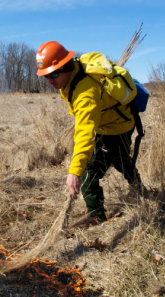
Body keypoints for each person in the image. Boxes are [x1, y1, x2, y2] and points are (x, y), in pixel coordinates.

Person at [36, 41, 143, 228]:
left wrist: (75, 171)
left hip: (117, 126)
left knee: (88, 169)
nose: (50, 80)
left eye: (53, 74)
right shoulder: (75, 73)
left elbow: (85, 134)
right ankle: (139, 187)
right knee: (120, 159)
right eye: (45, 76)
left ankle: (96, 214)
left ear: (66, 66)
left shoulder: (86, 93)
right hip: (110, 123)